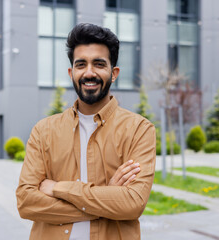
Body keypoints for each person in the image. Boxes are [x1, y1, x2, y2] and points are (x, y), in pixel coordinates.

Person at [16, 23, 156, 240]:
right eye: (81, 64)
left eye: (99, 64)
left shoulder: (139, 129)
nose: (89, 73)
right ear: (72, 72)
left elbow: (132, 203)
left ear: (114, 72)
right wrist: (106, 201)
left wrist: (58, 188)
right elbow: (26, 203)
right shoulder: (43, 131)